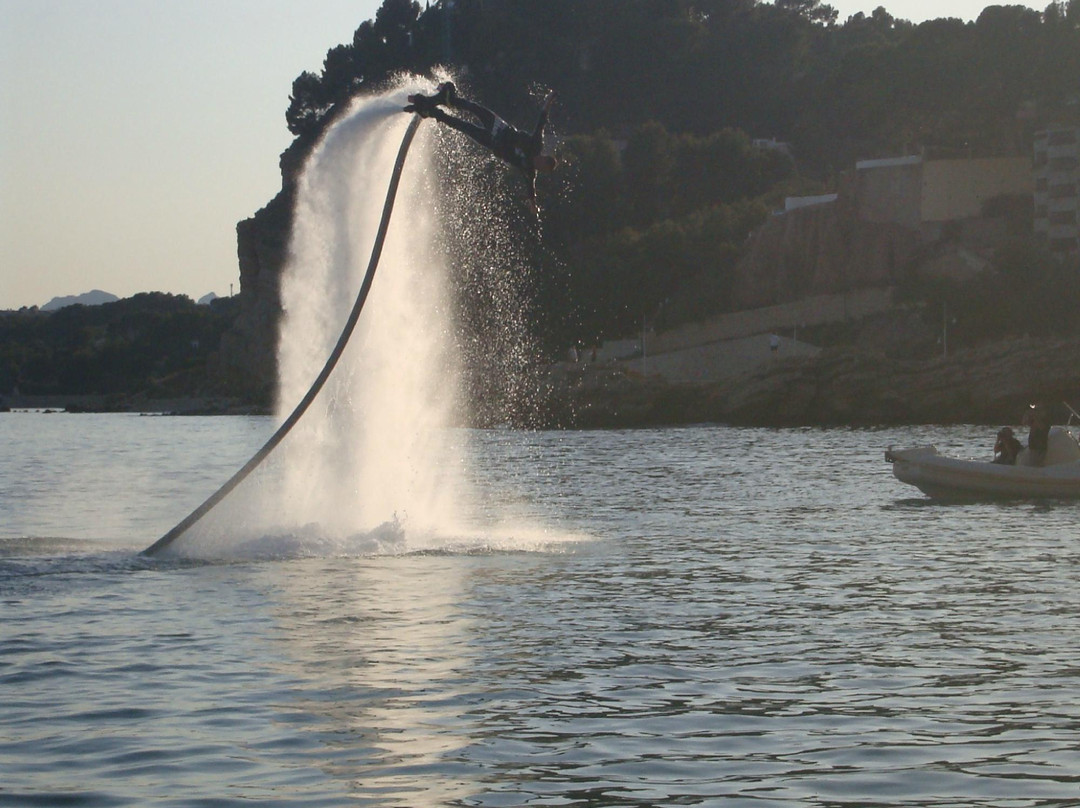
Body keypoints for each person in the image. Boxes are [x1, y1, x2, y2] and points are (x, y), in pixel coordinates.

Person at [405, 81, 557, 206]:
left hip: (492, 142)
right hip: (500, 128)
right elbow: (541, 122)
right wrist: (548, 101)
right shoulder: (536, 145)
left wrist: (532, 205)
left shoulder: (529, 170)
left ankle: (434, 113)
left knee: (463, 126)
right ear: (544, 158)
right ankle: (449, 99)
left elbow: (531, 189)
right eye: (542, 165)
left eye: (542, 169)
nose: (539, 167)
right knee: (474, 108)